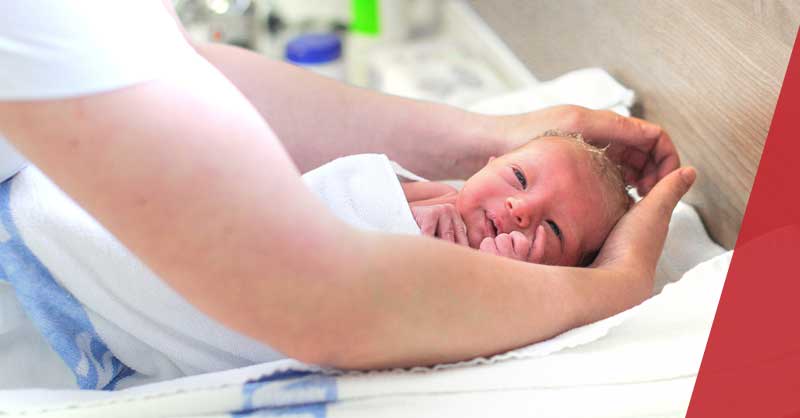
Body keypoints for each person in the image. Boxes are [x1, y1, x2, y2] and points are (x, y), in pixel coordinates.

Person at [0, 0, 692, 373]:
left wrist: (490, 136)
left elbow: (185, 75)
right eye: (517, 177)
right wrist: (616, 283)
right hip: (53, 236)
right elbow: (328, 298)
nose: (516, 209)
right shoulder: (421, 198)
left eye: (552, 230)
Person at [404, 132, 631, 267]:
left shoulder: (517, 301)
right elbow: (368, 200)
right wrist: (401, 215)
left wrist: (499, 279)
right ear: (490, 162)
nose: (522, 208)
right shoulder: (435, 195)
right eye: (519, 177)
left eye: (554, 229)